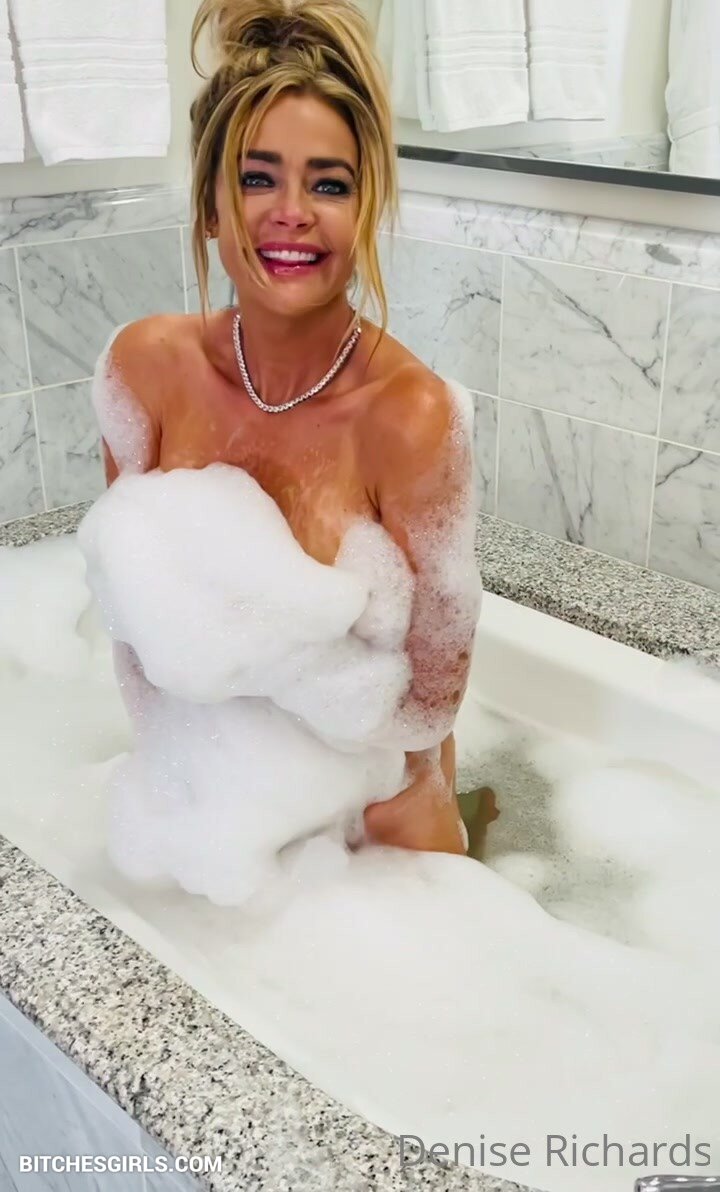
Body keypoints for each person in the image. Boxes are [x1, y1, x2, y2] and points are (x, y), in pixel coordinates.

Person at [98, 0, 483, 858]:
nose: (294, 211)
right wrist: (178, 795)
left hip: (379, 820)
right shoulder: (144, 374)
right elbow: (135, 627)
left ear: (365, 209)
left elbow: (428, 708)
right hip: (206, 807)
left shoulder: (409, 418)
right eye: (257, 177)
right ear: (209, 205)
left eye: (330, 184)